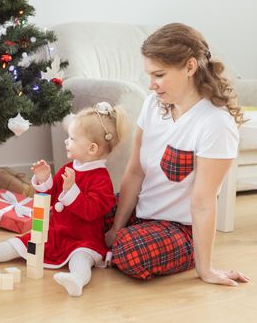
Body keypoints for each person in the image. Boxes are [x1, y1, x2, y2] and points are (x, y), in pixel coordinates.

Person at [104, 23, 251, 286]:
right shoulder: (153, 105)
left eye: (158, 75)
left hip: (179, 229)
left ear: (190, 67)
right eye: (149, 76)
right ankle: (107, 244)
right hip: (143, 212)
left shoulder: (215, 123)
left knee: (130, 251)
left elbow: (204, 202)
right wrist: (116, 226)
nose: (151, 85)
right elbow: (135, 170)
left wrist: (205, 270)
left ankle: (100, 249)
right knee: (78, 208)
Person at [0, 103, 128, 296]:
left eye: (72, 139)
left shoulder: (101, 179)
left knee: (81, 258)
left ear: (92, 148)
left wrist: (72, 190)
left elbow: (91, 211)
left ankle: (77, 280)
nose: (66, 142)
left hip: (83, 239)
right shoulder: (67, 168)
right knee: (19, 243)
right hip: (55, 233)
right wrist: (43, 179)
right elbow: (49, 197)